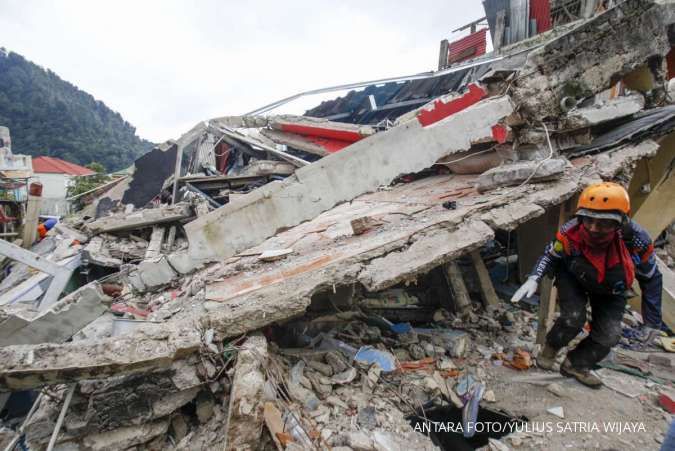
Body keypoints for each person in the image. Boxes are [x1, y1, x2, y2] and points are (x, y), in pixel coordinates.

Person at [511, 182, 663, 388]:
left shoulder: (637, 240)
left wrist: (652, 321)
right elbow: (551, 254)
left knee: (609, 336)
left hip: (612, 288)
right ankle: (551, 347)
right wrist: (534, 277)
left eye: (603, 224)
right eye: (588, 220)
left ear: (620, 222)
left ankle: (576, 364)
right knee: (573, 318)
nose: (593, 228)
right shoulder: (570, 232)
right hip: (573, 276)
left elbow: (651, 277)